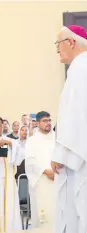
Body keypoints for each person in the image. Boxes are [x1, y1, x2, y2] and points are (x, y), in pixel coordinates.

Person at [51, 25, 87, 233]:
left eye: (58, 44)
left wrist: (60, 153)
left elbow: (75, 115)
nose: (57, 50)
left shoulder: (80, 68)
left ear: (71, 42)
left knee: (77, 208)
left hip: (78, 156)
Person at [25, 111, 55, 229]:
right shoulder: (32, 140)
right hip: (41, 181)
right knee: (44, 215)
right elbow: (30, 161)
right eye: (44, 121)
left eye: (49, 120)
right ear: (37, 123)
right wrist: (45, 171)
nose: (48, 123)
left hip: (58, 180)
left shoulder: (57, 138)